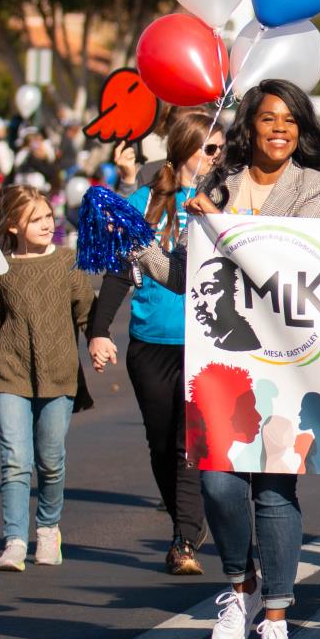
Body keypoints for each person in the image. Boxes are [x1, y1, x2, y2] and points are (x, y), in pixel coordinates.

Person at [135, 79, 320, 639]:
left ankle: (276, 616)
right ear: (249, 127)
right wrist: (136, 243)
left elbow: (294, 258)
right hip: (223, 360)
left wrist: (224, 224)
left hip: (287, 359)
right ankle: (239, 588)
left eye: (290, 120)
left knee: (276, 490)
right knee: (219, 484)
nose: (280, 129)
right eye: (268, 119)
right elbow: (184, 275)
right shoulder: (215, 185)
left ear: (301, 130)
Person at [87, 111, 222, 576]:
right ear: (185, 149)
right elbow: (122, 271)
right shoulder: (143, 203)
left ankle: (185, 537)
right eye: (209, 149)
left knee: (189, 443)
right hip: (149, 342)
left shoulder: (225, 201)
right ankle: (188, 519)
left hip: (206, 342)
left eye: (221, 149)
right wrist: (98, 330)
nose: (217, 157)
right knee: (161, 444)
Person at [0, 185, 99, 573]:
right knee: (14, 460)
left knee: (51, 460)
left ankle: (47, 529)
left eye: (48, 217)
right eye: (36, 219)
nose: (47, 225)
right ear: (13, 226)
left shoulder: (67, 261)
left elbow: (86, 314)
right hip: (10, 372)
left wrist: (98, 341)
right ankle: (14, 540)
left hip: (59, 374)